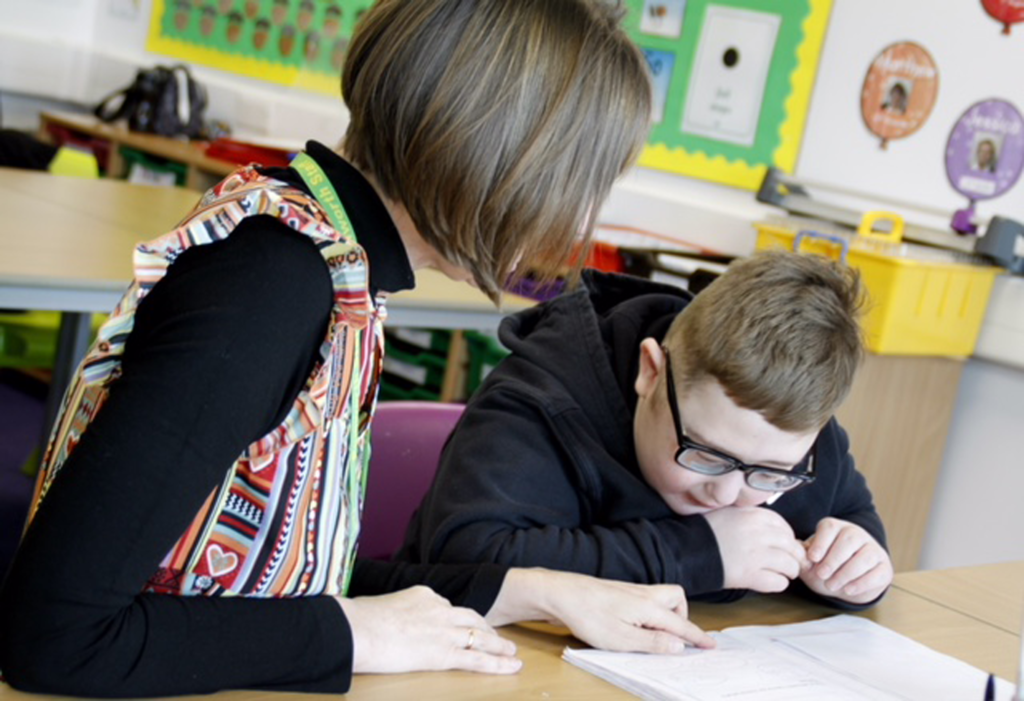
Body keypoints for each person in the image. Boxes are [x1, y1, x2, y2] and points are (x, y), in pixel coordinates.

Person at [0, 1, 715, 697]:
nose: (582, 219)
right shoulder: (272, 287)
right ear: (493, 157)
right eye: (583, 186)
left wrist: (529, 593)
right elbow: (53, 636)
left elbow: (278, 580)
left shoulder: (341, 270)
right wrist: (354, 635)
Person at [399, 252, 895, 609]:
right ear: (651, 372)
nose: (726, 493)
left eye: (769, 476)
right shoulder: (541, 397)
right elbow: (466, 557)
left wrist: (854, 568)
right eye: (706, 454)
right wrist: (699, 553)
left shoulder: (788, 427)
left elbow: (848, 513)